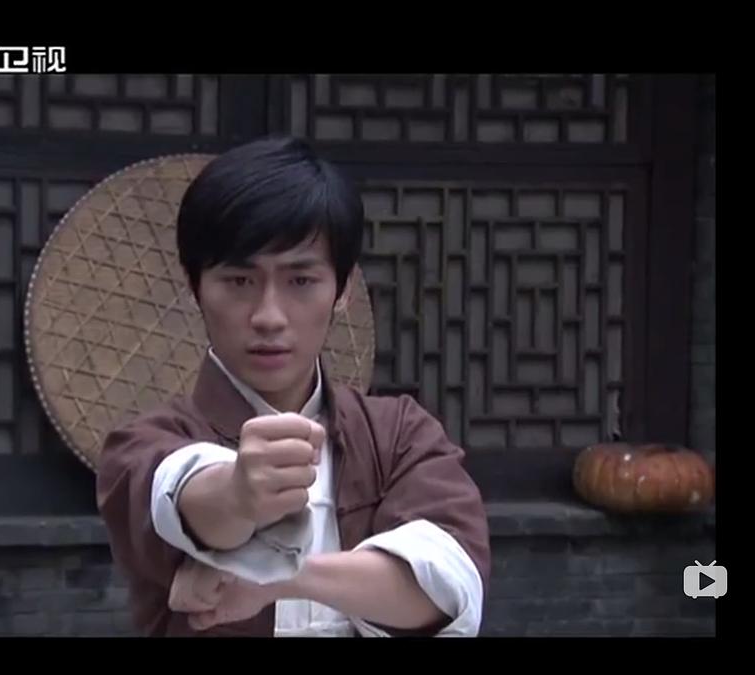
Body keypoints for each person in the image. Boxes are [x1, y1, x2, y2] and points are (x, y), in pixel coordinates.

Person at [96, 136, 491, 637]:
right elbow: (172, 488)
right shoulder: (142, 444)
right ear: (195, 286)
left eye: (300, 281)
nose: (269, 316)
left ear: (343, 289)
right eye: (239, 281)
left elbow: (449, 583)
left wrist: (284, 577)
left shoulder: (397, 435)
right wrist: (238, 493)